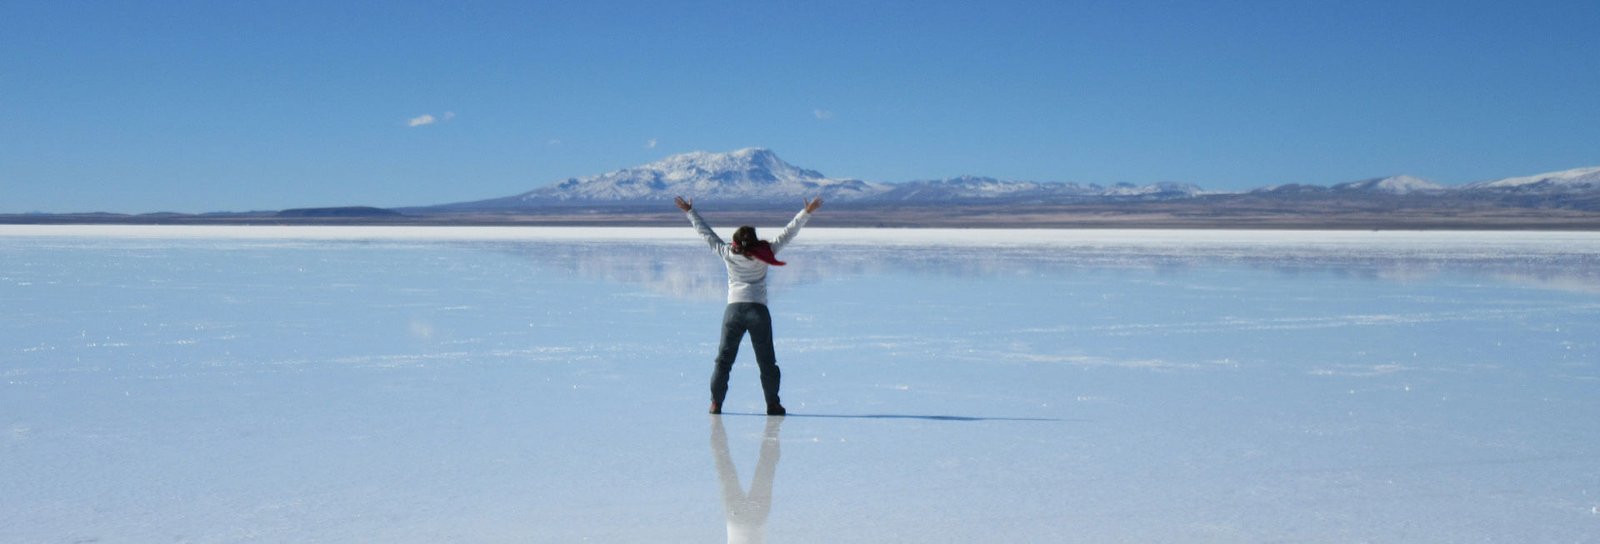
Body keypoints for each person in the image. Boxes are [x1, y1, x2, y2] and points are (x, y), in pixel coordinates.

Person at [675, 195, 822, 416]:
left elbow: (706, 234)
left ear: (735, 240)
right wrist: (806, 212)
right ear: (754, 240)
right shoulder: (766, 251)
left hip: (733, 311)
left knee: (724, 360)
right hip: (758, 312)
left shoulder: (727, 252)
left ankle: (716, 403)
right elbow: (789, 232)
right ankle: (772, 404)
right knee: (767, 362)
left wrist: (690, 211)